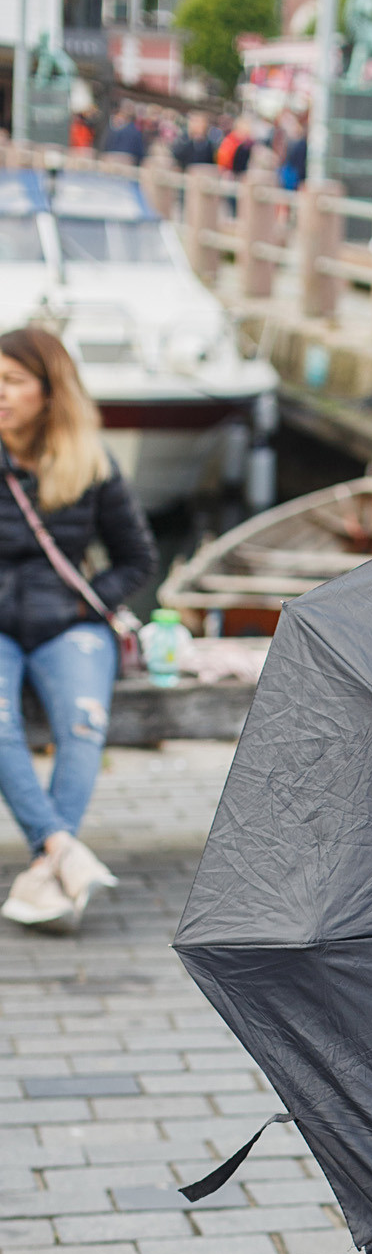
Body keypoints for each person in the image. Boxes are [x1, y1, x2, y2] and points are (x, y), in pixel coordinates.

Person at [0, 330, 156, 933]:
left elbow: (137, 560)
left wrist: (89, 606)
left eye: (13, 380)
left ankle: (47, 864)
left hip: (69, 622)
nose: (1, 393)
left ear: (49, 390)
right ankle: (63, 853)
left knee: (85, 721)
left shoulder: (90, 462)